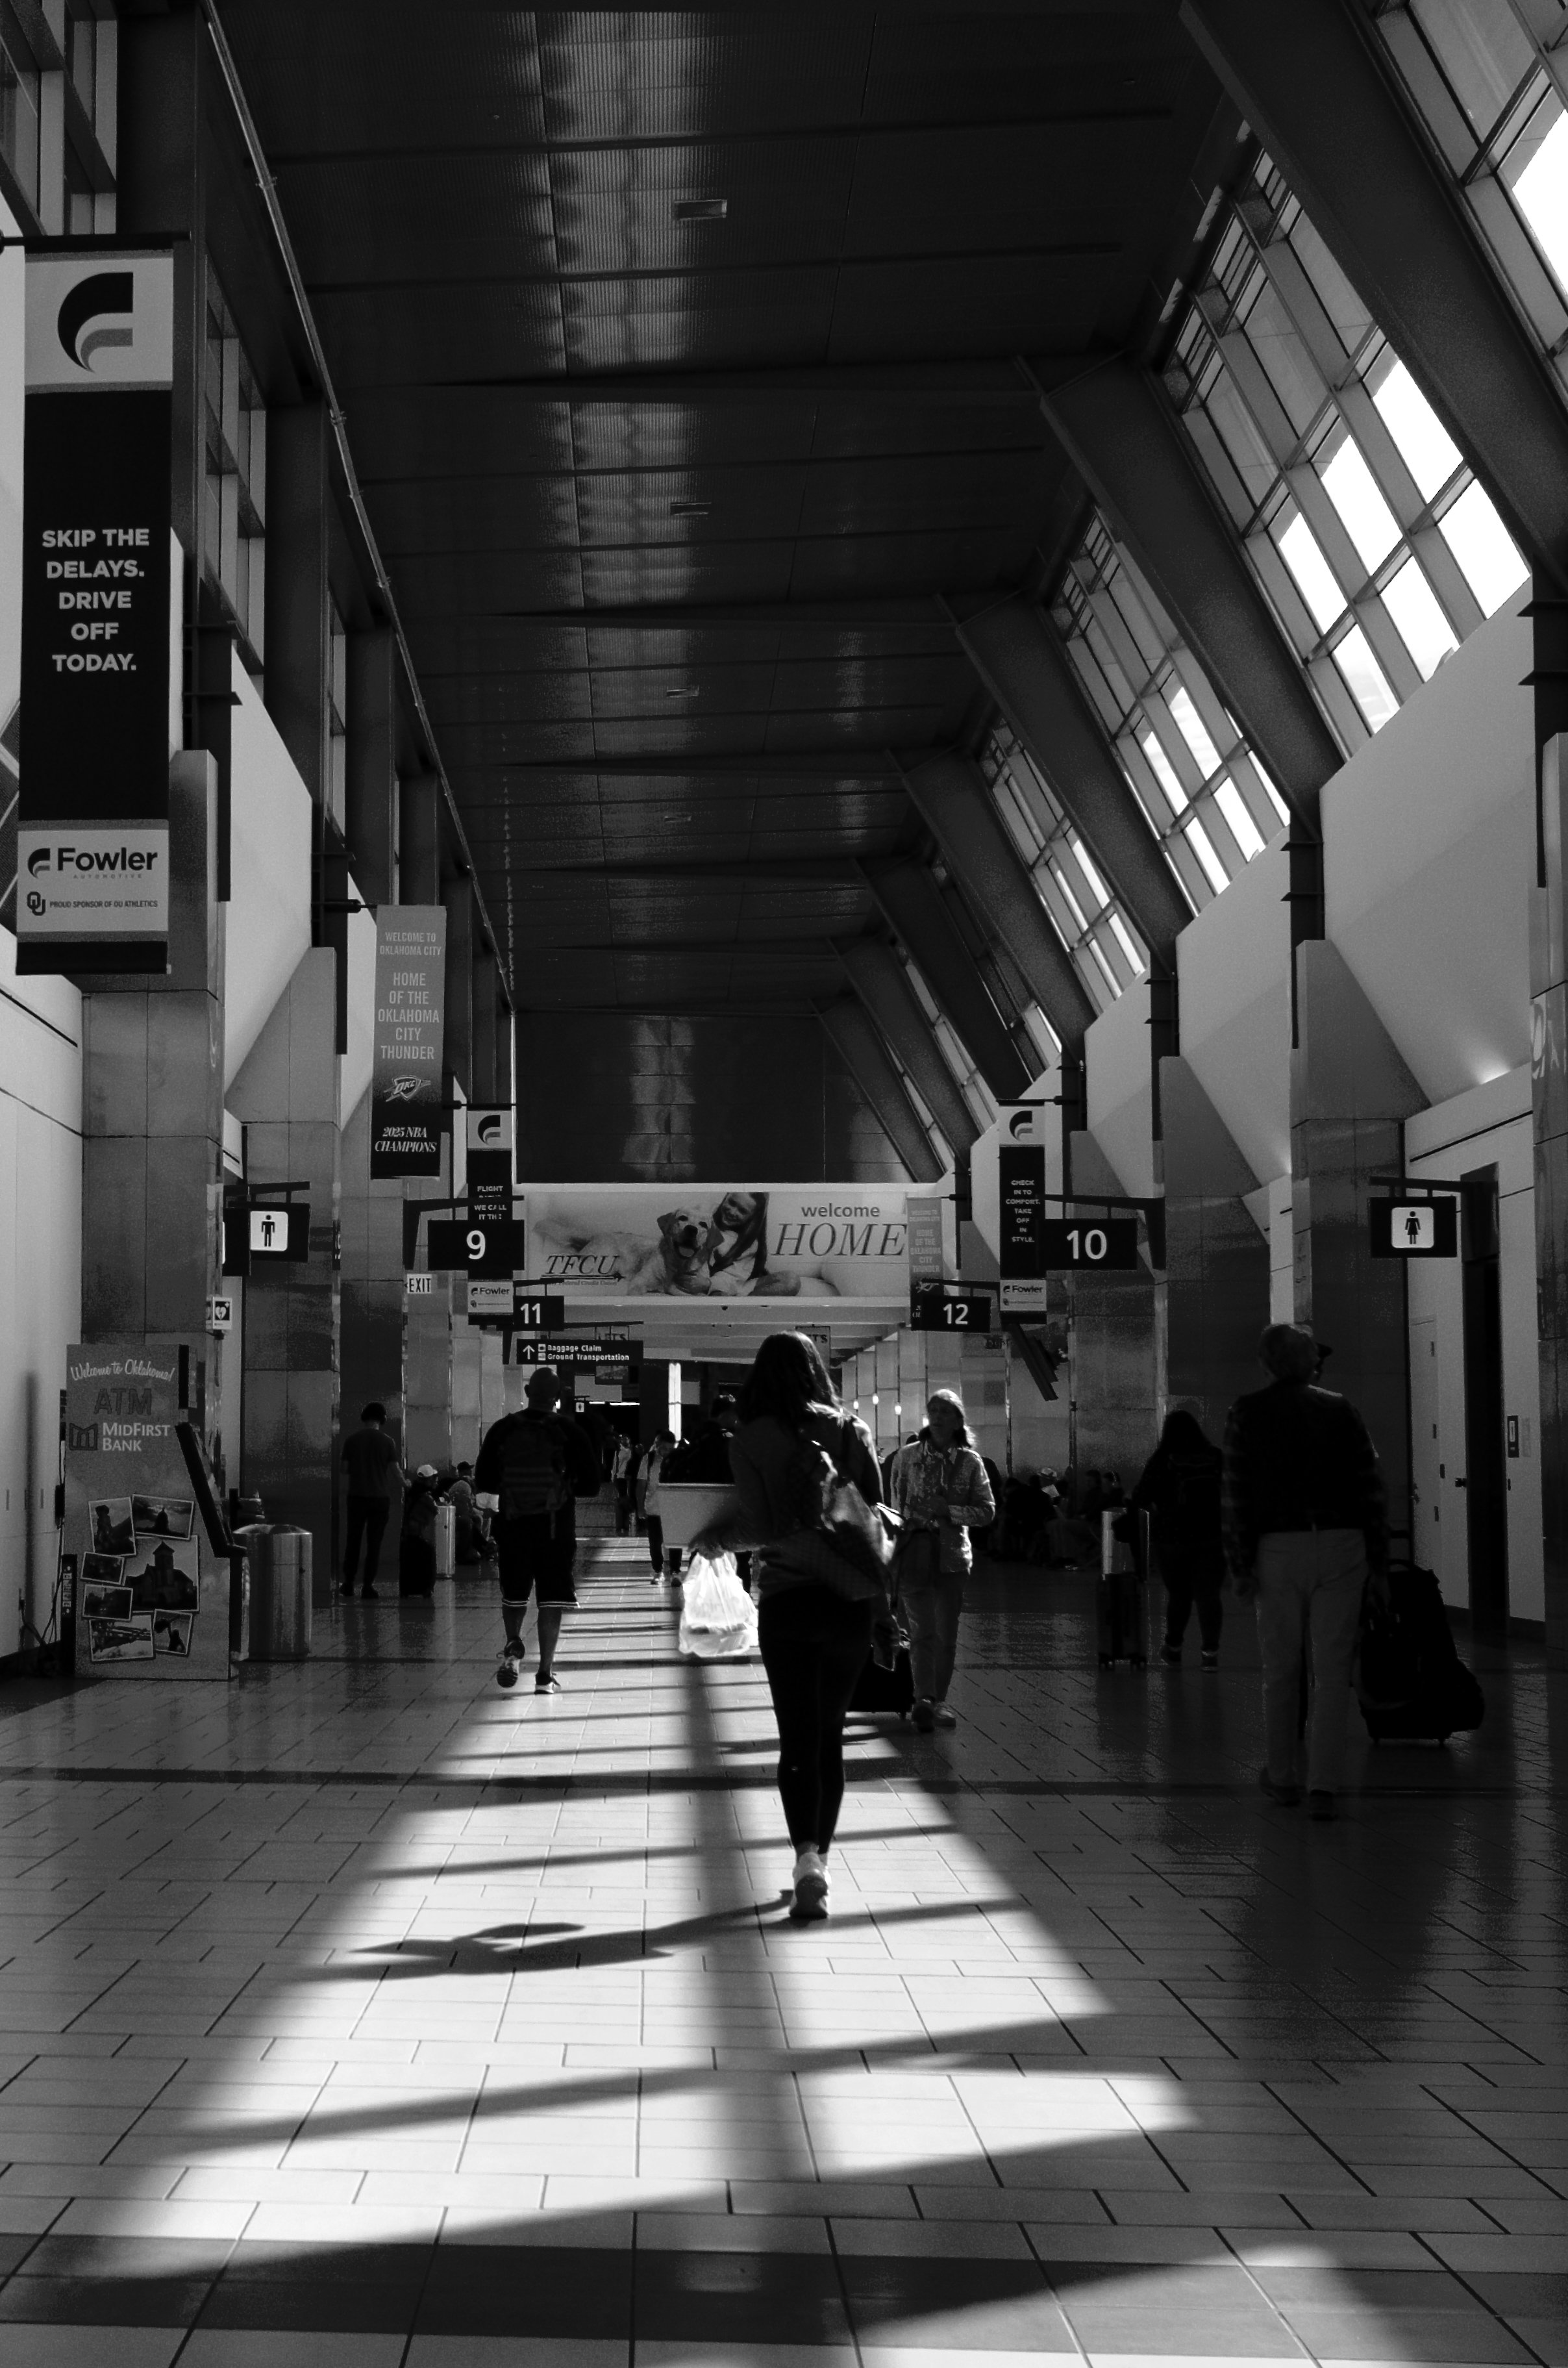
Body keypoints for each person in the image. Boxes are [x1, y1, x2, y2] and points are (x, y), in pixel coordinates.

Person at [689, 1331, 891, 1923]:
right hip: (849, 1599)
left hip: (788, 1601)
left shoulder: (751, 1438)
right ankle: (821, 1864)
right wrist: (886, 1610)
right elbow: (875, 1521)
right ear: (815, 1372)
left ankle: (803, 1857)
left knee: (796, 1736)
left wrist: (714, 1540)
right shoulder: (850, 1430)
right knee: (829, 1735)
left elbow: (762, 1525)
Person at [1223, 1322, 1388, 1822]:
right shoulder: (1340, 1409)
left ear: (1266, 1365)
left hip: (1277, 1548)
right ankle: (1324, 1787)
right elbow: (1370, 1487)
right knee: (1333, 1673)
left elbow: (1235, 1495)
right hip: (1342, 1545)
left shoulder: (1246, 1412)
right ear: (1311, 1363)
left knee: (1281, 1669)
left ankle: (1282, 1776)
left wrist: (1239, 1564)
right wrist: (1378, 1564)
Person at [473, 1367, 601, 1693]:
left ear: (528, 1392)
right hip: (555, 1529)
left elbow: (485, 1481)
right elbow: (591, 1486)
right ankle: (545, 1675)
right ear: (558, 1397)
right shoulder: (571, 1432)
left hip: (513, 1525)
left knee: (514, 1593)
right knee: (551, 1599)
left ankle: (514, 1643)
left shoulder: (503, 1429)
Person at [888, 1390, 995, 1733]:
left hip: (951, 1559)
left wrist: (949, 1511)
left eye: (945, 1412)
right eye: (932, 1410)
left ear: (958, 1420)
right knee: (921, 1632)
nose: (936, 1417)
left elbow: (987, 1511)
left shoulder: (970, 1462)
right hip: (914, 1554)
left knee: (946, 1634)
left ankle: (939, 1699)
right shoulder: (905, 1458)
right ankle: (923, 1698)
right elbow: (893, 1506)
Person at [1129, 1411, 1225, 1668]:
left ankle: (1173, 1648)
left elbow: (1141, 1496)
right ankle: (1210, 1654)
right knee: (1209, 1594)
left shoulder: (1162, 1459)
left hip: (1172, 1537)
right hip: (1211, 1536)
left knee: (1179, 1594)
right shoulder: (1214, 1456)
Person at [340, 1402, 403, 1600]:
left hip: (357, 1497)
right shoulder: (388, 1441)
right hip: (380, 1499)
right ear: (382, 1419)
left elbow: (344, 1469)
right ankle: (368, 1586)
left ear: (364, 1417)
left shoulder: (351, 1440)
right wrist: (406, 1484)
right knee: (374, 1544)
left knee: (353, 1541)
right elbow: (395, 1472)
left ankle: (348, 1584)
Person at [639, 1429, 677, 1580]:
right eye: (664, 1448)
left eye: (670, 1449)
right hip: (653, 1508)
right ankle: (658, 1570)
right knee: (655, 1543)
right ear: (657, 1446)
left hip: (673, 1508)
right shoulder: (648, 1460)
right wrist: (640, 1507)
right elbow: (641, 1485)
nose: (667, 1452)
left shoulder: (677, 1460)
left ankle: (675, 1571)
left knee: (674, 1541)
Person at [612, 1433, 634, 1535]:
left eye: (627, 1439)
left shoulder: (632, 1451)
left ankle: (624, 1524)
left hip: (628, 1478)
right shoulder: (619, 1452)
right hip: (620, 1477)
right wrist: (613, 1477)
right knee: (623, 1500)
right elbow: (615, 1464)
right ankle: (623, 1523)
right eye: (623, 1439)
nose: (625, 1441)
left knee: (624, 1500)